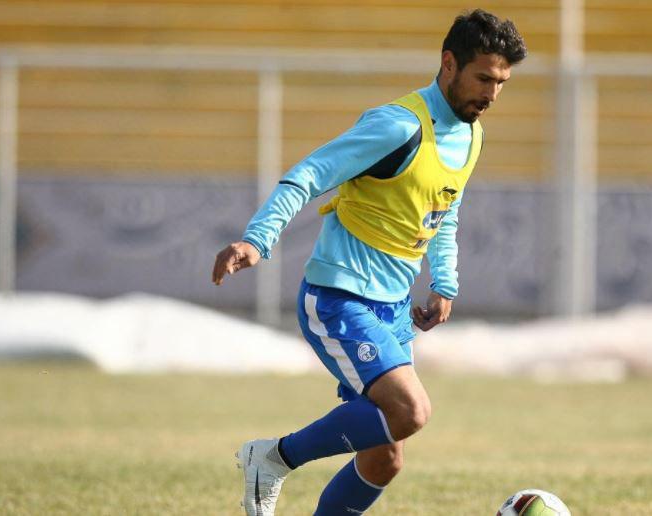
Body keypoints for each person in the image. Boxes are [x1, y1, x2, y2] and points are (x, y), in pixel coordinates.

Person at [212, 8, 526, 515]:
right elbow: (310, 174)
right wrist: (258, 239)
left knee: (384, 460)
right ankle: (273, 458)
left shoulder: (472, 134)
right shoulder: (397, 126)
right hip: (339, 298)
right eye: (483, 78)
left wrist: (444, 282)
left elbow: (445, 209)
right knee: (411, 411)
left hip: (392, 308)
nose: (492, 94)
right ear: (449, 63)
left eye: (502, 83)